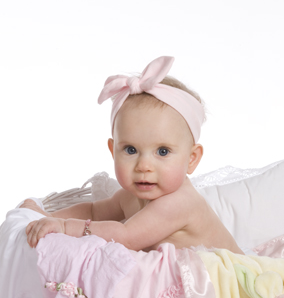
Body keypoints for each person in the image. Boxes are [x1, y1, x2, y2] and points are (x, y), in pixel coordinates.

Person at [22, 56, 243, 255]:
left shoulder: (179, 203)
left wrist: (64, 227)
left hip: (229, 284)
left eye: (163, 152)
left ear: (191, 159)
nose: (144, 165)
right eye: (131, 150)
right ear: (113, 151)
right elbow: (93, 211)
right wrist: (46, 217)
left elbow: (125, 237)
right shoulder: (130, 196)